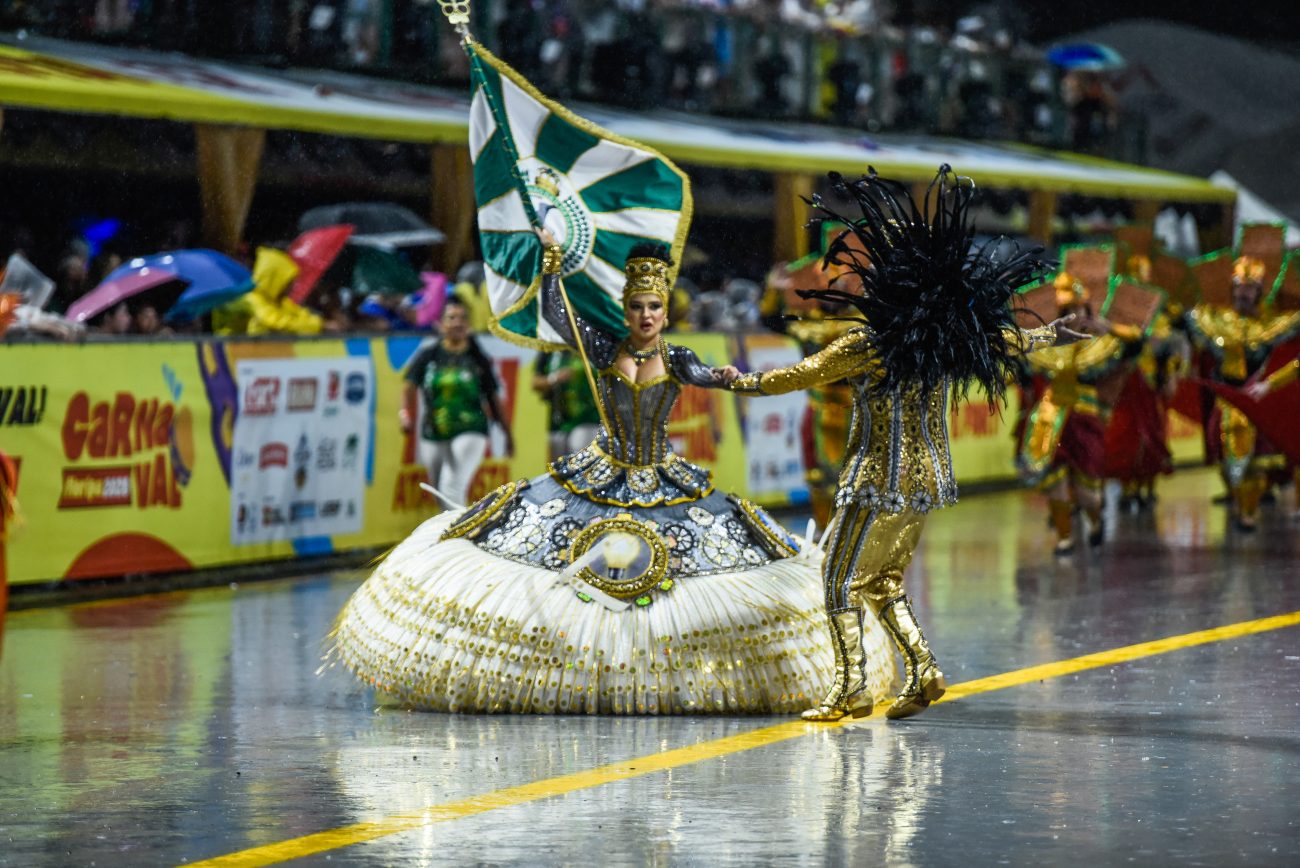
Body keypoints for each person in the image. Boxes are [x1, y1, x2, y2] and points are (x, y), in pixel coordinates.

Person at [329, 239, 897, 715]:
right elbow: (559, 316)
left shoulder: (677, 358)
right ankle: (571, 671)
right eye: (638, 307)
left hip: (664, 480)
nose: (646, 316)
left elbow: (715, 376)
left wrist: (742, 379)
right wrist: (551, 267)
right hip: (596, 476)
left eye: (655, 307)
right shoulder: (603, 349)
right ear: (626, 311)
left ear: (665, 312)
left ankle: (654, 678)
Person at [728, 167, 1088, 722]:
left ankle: (849, 688)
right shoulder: (944, 338)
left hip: (876, 477)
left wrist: (731, 381)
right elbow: (1002, 340)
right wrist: (1048, 334)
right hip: (925, 481)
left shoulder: (867, 343)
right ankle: (922, 669)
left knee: (837, 581)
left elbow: (792, 377)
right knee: (883, 581)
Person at [1017, 272, 1143, 554]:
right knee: (1055, 482)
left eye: (1077, 309)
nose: (1073, 316)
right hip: (1051, 416)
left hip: (1085, 418)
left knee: (1088, 493)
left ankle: (1096, 521)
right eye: (1067, 310)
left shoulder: (1101, 344)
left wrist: (1107, 327)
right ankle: (1065, 538)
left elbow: (1135, 344)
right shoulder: (1047, 343)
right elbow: (1021, 358)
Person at [1184, 257, 1300, 530]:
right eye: (1239, 287)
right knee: (1228, 457)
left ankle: (1249, 512)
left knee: (1259, 463)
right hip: (1227, 399)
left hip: (1258, 397)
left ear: (1259, 291)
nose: (1243, 293)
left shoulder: (1271, 325)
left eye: (1249, 288)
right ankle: (1239, 504)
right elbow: (1186, 320)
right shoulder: (1214, 319)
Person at [401, 297, 513, 508]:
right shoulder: (429, 356)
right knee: (439, 493)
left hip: (471, 429)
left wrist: (507, 434)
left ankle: (460, 528)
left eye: (462, 318)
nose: (457, 323)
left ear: (469, 325)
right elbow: (409, 386)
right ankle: (455, 525)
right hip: (433, 431)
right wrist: (405, 414)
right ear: (440, 324)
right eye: (451, 318)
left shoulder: (477, 359)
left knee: (451, 486)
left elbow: (493, 397)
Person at [533, 349, 602, 461]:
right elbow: (535, 382)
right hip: (558, 422)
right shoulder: (550, 349)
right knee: (556, 466)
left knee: (581, 464)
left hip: (587, 420)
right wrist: (554, 378)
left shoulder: (589, 345)